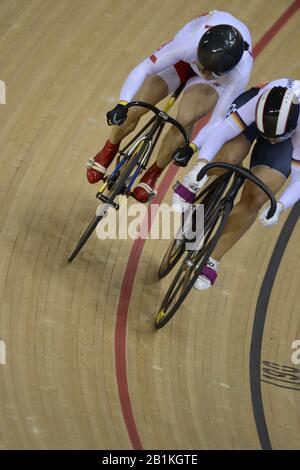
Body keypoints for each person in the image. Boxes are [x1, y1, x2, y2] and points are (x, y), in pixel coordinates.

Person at [86, 10, 253, 203]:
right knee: (136, 106)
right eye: (202, 66)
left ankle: (153, 173)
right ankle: (109, 148)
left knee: (185, 119)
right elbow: (145, 67)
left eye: (209, 72)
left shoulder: (239, 74)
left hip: (211, 84)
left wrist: (192, 147)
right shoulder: (189, 42)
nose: (203, 72)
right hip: (184, 60)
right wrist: (122, 103)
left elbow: (218, 121)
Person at [172, 79, 300, 290]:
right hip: (256, 116)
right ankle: (197, 191)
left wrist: (280, 206)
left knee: (257, 197)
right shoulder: (260, 100)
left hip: (288, 138)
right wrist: (200, 166)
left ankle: (212, 258)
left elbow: (298, 177)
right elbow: (222, 131)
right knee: (227, 158)